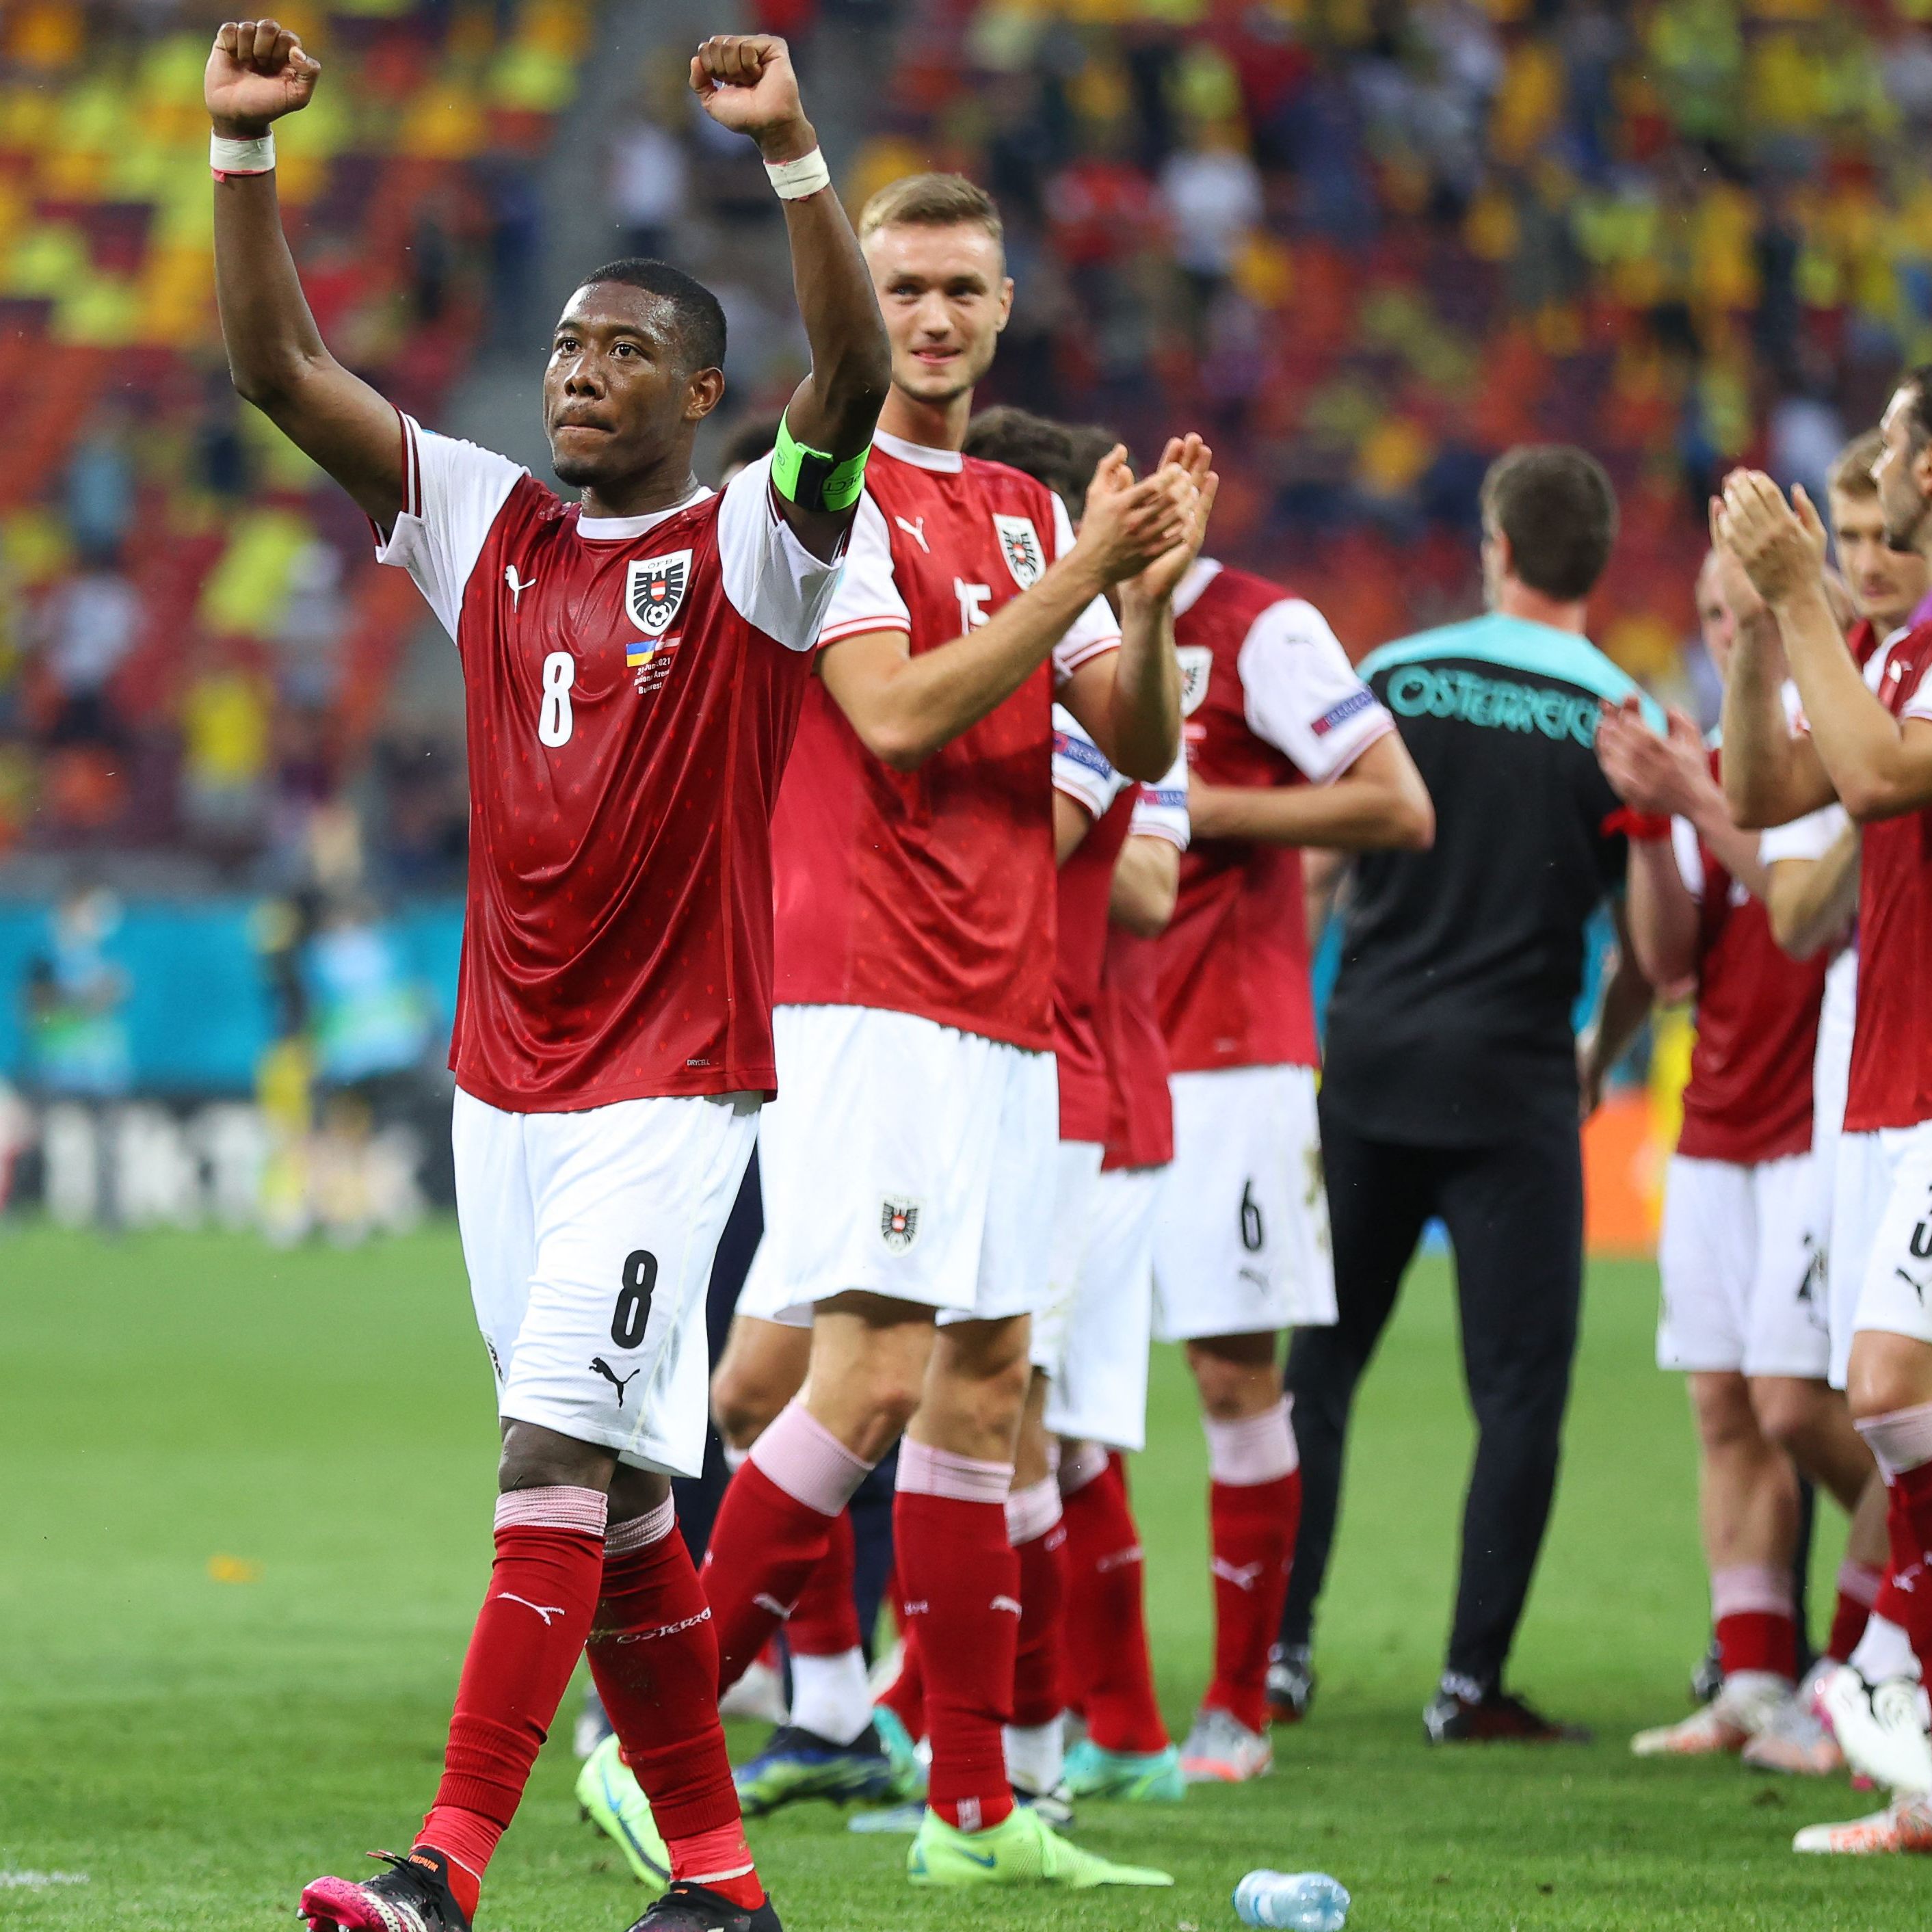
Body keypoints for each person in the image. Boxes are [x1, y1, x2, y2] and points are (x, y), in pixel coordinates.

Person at [204, 20, 890, 1932]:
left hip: (672, 1089)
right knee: (631, 1511)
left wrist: (794, 155)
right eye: (568, 346)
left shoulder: (758, 545)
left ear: (698, 391)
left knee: (552, 1451)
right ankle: (727, 1883)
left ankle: (442, 1872)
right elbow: (276, 366)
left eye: (621, 353)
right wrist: (239, 153)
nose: (578, 373)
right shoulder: (486, 525)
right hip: (499, 1089)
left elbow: (848, 370)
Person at [694, 172, 1204, 1891]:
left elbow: (1130, 748)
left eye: (960, 289)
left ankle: (976, 1810)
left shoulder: (1004, 502)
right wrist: (1080, 572)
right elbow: (900, 715)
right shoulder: (819, 493)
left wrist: (1139, 598)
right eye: (902, 284)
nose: (929, 315)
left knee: (987, 1384)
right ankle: (675, 1730)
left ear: (1002, 311)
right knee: (876, 1371)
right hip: (871, 983)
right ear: (873, 303)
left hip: (1000, 997)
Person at [1279, 445, 1657, 1743]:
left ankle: (1277, 1650)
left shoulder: (1394, 677)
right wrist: (1598, 1050)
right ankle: (1467, 1681)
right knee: (1517, 1392)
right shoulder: (1625, 716)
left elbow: (1318, 873)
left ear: (1495, 545)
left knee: (1318, 1368)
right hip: (1513, 1086)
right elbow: (1658, 951)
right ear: (1596, 563)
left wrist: (1292, 1032)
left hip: (1370, 1062)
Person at [1152, 513, 1434, 1782]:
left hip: (1226, 1058)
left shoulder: (1261, 625)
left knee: (1232, 1377)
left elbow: (1391, 800)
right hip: (1065, 1051)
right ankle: (1046, 1716)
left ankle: (1236, 1704)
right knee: (1022, 1391)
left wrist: (1187, 803)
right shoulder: (1048, 627)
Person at [1596, 553, 1876, 1763]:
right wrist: (1651, 827)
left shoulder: (1835, 754)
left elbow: (1811, 917)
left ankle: (1863, 1663)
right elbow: (1669, 966)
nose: (1725, 633)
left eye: (1747, 613)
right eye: (1713, 613)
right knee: (1726, 1407)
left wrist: (1700, 800)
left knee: (1806, 1403)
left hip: (1819, 1125)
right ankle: (1753, 1679)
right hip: (1714, 1121)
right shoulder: (1713, 760)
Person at [1715, 371, 1932, 1855]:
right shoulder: (1903, 647)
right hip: (1886, 1078)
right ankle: (1908, 1727)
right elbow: (1769, 782)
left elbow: (1865, 777)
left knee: (1887, 1392)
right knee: (1884, 1393)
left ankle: (1891, 1665)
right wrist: (1753, 622)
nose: (1888, 457)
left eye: (1907, 439)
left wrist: (1797, 593)